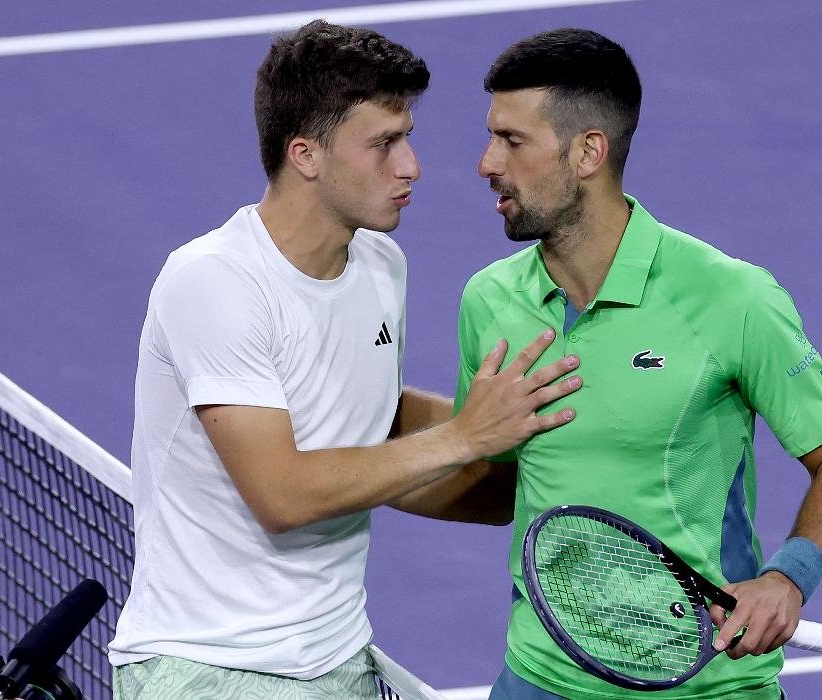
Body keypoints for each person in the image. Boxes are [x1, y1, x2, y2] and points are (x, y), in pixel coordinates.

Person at [107, 20, 582, 699]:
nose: (411, 165)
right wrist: (466, 436)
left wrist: (535, 456)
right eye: (384, 143)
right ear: (306, 154)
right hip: (211, 672)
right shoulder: (214, 281)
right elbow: (284, 495)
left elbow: (371, 435)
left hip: (340, 664)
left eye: (407, 137)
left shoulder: (380, 265)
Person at [455, 28, 822, 699]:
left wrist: (786, 577)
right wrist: (369, 464)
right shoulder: (490, 301)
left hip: (704, 684)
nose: (485, 163)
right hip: (542, 675)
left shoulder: (731, 297)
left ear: (588, 151)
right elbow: (493, 478)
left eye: (511, 140)